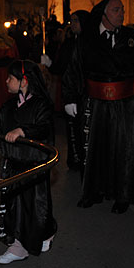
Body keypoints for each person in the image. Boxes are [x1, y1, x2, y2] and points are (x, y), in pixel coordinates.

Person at [63, 0, 134, 214]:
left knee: (123, 149)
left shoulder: (131, 38)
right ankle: (94, 191)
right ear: (104, 13)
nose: (122, 13)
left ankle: (123, 194)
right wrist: (70, 98)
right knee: (95, 149)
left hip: (124, 105)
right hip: (96, 104)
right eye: (117, 9)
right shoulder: (87, 39)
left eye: (123, 9)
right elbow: (74, 69)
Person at [0, 60, 57, 264]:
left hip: (34, 163)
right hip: (14, 161)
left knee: (35, 204)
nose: (6, 81)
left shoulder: (41, 104)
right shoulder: (9, 105)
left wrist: (23, 131)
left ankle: (34, 238)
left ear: (24, 81)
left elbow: (44, 127)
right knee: (16, 204)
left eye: (10, 78)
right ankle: (26, 241)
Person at [56, 10, 90, 170]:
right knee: (72, 129)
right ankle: (75, 159)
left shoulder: (90, 43)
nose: (73, 24)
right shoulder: (69, 43)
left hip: (85, 94)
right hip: (71, 92)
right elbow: (62, 67)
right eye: (71, 21)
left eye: (76, 20)